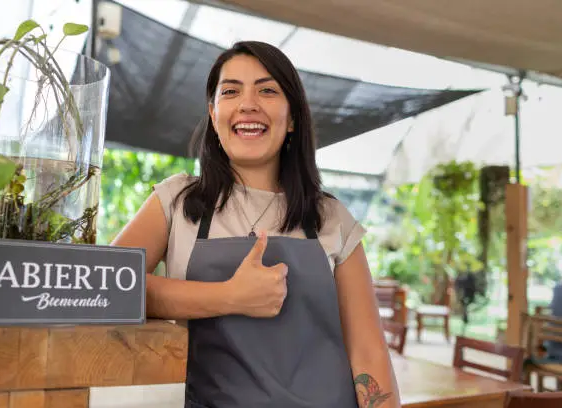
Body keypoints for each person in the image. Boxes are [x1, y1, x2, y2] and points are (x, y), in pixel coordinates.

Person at [111, 40, 400, 408]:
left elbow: (369, 353)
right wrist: (229, 296)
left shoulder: (330, 217)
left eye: (267, 90)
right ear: (214, 114)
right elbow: (111, 288)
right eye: (231, 91)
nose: (248, 103)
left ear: (292, 117)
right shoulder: (177, 202)